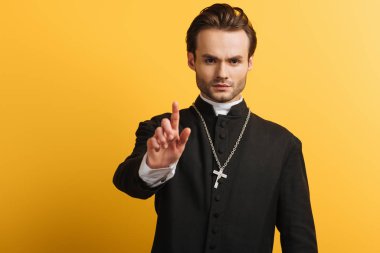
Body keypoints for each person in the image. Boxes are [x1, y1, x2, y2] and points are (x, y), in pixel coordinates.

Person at [113, 3, 318, 253]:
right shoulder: (161, 129)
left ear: (249, 62)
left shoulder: (283, 145)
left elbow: (300, 242)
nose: (222, 73)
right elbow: (124, 181)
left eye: (234, 61)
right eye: (210, 60)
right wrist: (154, 166)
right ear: (192, 60)